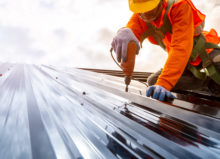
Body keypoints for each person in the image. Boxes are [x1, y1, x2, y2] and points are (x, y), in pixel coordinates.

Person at [111, 0, 220, 101]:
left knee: (218, 62)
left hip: (203, 53)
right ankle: (207, 82)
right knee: (153, 82)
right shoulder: (141, 14)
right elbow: (132, 28)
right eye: (140, 12)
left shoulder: (180, 6)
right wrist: (124, 31)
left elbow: (180, 48)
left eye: (149, 11)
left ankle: (214, 80)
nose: (144, 16)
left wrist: (164, 83)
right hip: (183, 64)